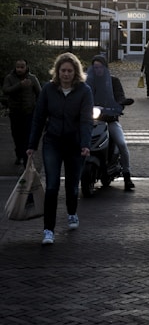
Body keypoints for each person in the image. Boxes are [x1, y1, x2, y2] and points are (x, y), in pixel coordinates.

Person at [26, 52, 93, 245]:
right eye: (63, 70)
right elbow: (38, 118)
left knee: (72, 186)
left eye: (69, 71)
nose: (66, 74)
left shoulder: (84, 91)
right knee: (52, 186)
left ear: (75, 72)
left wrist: (85, 144)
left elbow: (86, 120)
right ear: (57, 71)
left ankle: (72, 212)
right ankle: (48, 230)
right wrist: (32, 145)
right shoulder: (48, 90)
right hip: (53, 142)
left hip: (74, 143)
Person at [86, 55, 135, 191]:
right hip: (91, 121)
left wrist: (119, 104)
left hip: (109, 120)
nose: (98, 70)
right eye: (95, 67)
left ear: (105, 67)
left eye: (100, 67)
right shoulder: (88, 83)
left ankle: (127, 175)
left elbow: (120, 96)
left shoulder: (113, 81)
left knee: (122, 144)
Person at [3, 59, 41, 167]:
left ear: (26, 67)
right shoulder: (10, 78)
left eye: (22, 67)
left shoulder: (32, 78)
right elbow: (6, 90)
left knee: (27, 136)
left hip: (29, 112)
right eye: (18, 67)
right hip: (15, 112)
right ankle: (19, 154)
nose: (19, 69)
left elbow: (40, 94)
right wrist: (20, 85)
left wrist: (38, 108)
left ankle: (26, 159)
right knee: (16, 135)